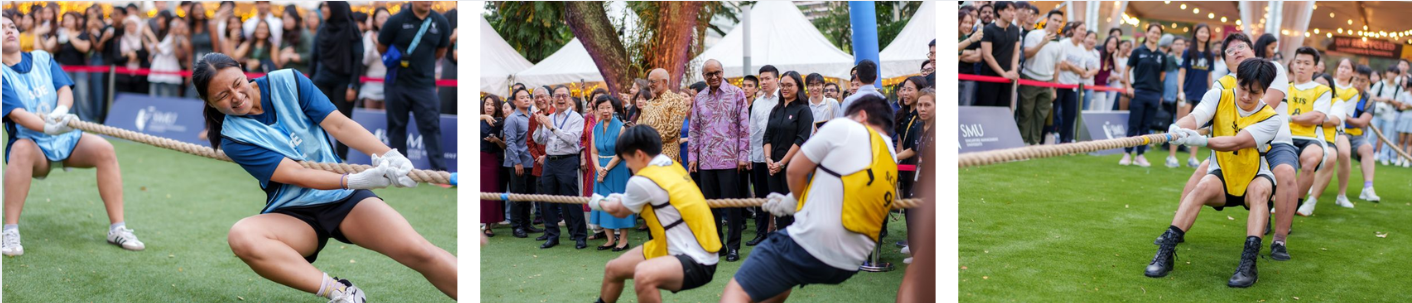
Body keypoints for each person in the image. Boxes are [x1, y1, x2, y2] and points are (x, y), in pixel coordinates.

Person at [192, 53, 454, 301]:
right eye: (223, 95)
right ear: (210, 102)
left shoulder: (288, 80)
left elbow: (339, 124)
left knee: (418, 251)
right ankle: (342, 293)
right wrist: (355, 180)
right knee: (242, 236)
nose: (237, 96)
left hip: (343, 199)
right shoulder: (233, 139)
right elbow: (296, 174)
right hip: (294, 213)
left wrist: (390, 155)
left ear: (242, 70)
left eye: (238, 83)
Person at [721, 94, 899, 302]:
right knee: (779, 278)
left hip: (814, 243)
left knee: (739, 291)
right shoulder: (890, 154)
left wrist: (793, 202)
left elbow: (794, 170)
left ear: (861, 115)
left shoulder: (846, 128)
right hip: (851, 260)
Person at [2, 13, 145, 257]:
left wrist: (60, 111)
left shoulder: (42, 57)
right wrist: (49, 128)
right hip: (34, 146)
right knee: (21, 149)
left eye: (12, 26)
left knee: (105, 150)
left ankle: (117, 228)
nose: (9, 30)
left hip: (65, 139)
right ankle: (10, 231)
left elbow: (64, 89)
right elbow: (17, 115)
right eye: (2, 28)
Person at [1150, 59, 1281, 288]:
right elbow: (1195, 117)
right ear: (1236, 80)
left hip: (1254, 176)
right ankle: (1166, 251)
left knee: (1260, 191)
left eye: (1254, 92)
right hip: (1222, 173)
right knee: (1201, 186)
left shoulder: (1271, 118)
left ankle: (1249, 264)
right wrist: (1178, 127)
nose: (1246, 96)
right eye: (1243, 88)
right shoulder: (1218, 96)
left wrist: (1202, 141)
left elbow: (1237, 141)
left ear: (1265, 90)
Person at [587, 125, 721, 303]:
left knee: (643, 276)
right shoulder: (671, 165)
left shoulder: (643, 179)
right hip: (668, 244)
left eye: (627, 159)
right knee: (614, 269)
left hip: (697, 257)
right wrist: (617, 198)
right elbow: (641, 198)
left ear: (640, 155)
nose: (627, 165)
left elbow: (620, 211)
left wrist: (599, 202)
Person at [688, 59, 750, 262]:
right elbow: (694, 129)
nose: (714, 77)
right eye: (709, 74)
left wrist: (743, 156)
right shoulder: (699, 98)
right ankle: (717, 245)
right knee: (710, 205)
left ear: (722, 72)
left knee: (731, 206)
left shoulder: (736, 93)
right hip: (706, 160)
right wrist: (692, 157)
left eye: (717, 72)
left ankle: (733, 247)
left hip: (730, 159)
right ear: (704, 76)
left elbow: (744, 128)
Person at [378, 1, 452, 171]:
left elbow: (441, 51)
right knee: (396, 128)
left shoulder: (441, 22)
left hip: (425, 85)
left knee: (431, 127)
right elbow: (381, 46)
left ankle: (439, 171)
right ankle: (399, 171)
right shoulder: (396, 20)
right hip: (396, 84)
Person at [533, 85, 589, 250]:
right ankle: (552, 236)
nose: (561, 99)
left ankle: (580, 236)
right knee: (548, 200)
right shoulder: (550, 117)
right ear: (552, 99)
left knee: (572, 200)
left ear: (569, 98)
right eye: (557, 96)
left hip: (567, 160)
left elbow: (572, 139)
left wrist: (551, 127)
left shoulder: (576, 118)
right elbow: (540, 140)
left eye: (564, 95)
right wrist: (540, 126)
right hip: (550, 162)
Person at [310, 2, 365, 160]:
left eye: (327, 6)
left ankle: (342, 160)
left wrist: (353, 85)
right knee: (316, 119)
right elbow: (314, 57)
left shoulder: (351, 29)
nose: (323, 10)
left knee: (343, 122)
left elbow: (358, 59)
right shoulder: (323, 28)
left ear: (336, 9)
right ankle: (317, 157)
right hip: (321, 80)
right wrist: (310, 83)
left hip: (344, 83)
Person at [763, 71, 814, 231]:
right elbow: (767, 136)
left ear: (798, 86)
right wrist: (769, 160)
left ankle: (796, 242)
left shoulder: (803, 110)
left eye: (789, 85)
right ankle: (782, 240)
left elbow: (801, 139)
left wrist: (782, 163)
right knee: (779, 209)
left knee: (794, 209)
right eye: (782, 85)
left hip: (793, 167)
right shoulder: (776, 110)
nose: (785, 88)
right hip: (773, 167)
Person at [1285, 47, 1332, 217]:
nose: (1301, 66)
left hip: (1310, 137)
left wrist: (1290, 118)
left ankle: (1294, 205)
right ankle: (1270, 208)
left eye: (1306, 63)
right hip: (1284, 136)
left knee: (1310, 161)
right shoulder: (1283, 88)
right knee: (1278, 166)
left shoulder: (1322, 90)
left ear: (1315, 67)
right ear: (1292, 64)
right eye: (1298, 62)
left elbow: (1317, 117)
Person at [1307, 59, 1360, 209]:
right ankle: (1311, 185)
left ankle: (1341, 195)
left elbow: (1342, 117)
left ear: (1352, 72)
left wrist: (1319, 118)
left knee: (1344, 153)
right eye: (1341, 66)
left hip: (1338, 129)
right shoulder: (1325, 81)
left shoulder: (1352, 92)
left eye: (1347, 67)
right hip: (1315, 126)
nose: (1343, 70)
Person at [1118, 23, 1170, 167]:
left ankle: (1140, 155)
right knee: (1134, 125)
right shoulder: (1137, 51)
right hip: (1138, 92)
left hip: (1153, 94)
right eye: (1153, 32)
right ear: (1147, 33)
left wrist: (1157, 90)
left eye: (1158, 33)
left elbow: (1162, 75)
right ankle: (1127, 153)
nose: (1155, 35)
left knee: (1146, 126)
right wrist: (1129, 87)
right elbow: (1127, 70)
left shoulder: (1161, 55)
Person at [589, 94, 635, 251]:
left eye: (608, 107)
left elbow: (620, 153)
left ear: (613, 108)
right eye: (601, 108)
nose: (605, 111)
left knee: (620, 203)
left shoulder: (621, 127)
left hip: (617, 169)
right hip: (600, 169)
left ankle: (623, 240)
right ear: (597, 109)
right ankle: (609, 240)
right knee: (603, 202)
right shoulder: (596, 128)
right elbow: (593, 152)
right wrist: (598, 169)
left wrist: (606, 169)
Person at [1334, 64, 1381, 203]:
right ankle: (1313, 185)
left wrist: (1339, 114)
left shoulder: (1369, 99)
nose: (1358, 83)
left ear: (1368, 82)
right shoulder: (1339, 90)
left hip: (1356, 135)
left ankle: (1368, 188)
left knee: (1368, 149)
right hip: (1337, 132)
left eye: (1363, 80)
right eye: (1356, 79)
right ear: (1352, 77)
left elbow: (1362, 122)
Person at [1016, 10, 1063, 145]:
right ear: (1047, 19)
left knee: (1041, 115)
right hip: (1030, 77)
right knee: (1025, 113)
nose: (1057, 23)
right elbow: (1027, 54)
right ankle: (1021, 143)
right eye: (1055, 20)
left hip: (1048, 82)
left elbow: (1057, 67)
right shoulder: (1034, 35)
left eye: (1060, 21)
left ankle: (1034, 143)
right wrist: (1042, 43)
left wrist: (1054, 89)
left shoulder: (1058, 43)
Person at [1169, 24, 1213, 168]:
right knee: (1178, 125)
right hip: (1187, 93)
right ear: (1196, 34)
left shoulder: (1210, 54)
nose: (1204, 34)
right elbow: (1181, 73)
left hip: (1202, 96)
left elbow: (1209, 76)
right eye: (1201, 32)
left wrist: (1212, 92)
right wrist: (1180, 91)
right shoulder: (1188, 52)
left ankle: (1192, 158)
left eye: (1206, 32)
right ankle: (1171, 157)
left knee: (1197, 127)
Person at [747, 65, 781, 246]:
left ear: (776, 80)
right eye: (762, 79)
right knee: (761, 195)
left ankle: (779, 232)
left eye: (768, 78)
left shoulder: (784, 99)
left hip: (780, 156)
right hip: (759, 156)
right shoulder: (758, 103)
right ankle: (761, 232)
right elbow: (752, 131)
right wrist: (750, 156)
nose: (764, 82)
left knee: (779, 194)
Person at [639, 68, 692, 163]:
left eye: (653, 81)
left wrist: (647, 141)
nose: (649, 84)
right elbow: (639, 126)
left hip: (666, 157)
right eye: (649, 81)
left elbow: (671, 132)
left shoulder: (676, 100)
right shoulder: (648, 103)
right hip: (646, 156)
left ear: (664, 82)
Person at [503, 88, 536, 238]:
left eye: (527, 97)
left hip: (531, 162)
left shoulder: (532, 116)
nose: (526, 99)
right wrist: (517, 162)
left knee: (528, 196)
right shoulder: (512, 118)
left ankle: (526, 224)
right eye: (522, 98)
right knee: (517, 196)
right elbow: (510, 142)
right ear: (515, 102)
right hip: (517, 163)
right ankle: (516, 226)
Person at [977, 1, 1021, 108]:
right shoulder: (989, 29)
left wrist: (1013, 72)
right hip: (989, 76)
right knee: (987, 108)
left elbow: (1016, 52)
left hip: (1008, 77)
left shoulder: (1015, 30)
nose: (1013, 13)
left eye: (1014, 11)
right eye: (1009, 10)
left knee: (1004, 108)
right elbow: (987, 55)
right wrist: (1003, 73)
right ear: (1000, 11)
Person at [1052, 21, 1090, 144]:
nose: (1083, 32)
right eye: (1080, 29)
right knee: (1053, 113)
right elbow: (1061, 64)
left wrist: (1069, 65)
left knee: (1070, 115)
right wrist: (1075, 67)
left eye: (1084, 30)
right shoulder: (1064, 44)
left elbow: (1082, 71)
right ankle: (1049, 138)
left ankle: (1065, 141)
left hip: (1073, 86)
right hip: (1059, 84)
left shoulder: (1082, 49)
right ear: (1073, 30)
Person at [185, 2, 223, 100]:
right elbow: (190, 53)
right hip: (195, 64)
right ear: (192, 12)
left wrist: (215, 68)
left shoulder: (210, 25)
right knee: (191, 93)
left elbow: (216, 49)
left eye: (201, 9)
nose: (199, 11)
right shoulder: (190, 29)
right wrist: (189, 73)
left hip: (209, 63)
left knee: (208, 92)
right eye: (196, 9)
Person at [482, 95, 507, 237]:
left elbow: (504, 145)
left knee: (490, 192)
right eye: (487, 104)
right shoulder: (479, 119)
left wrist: (496, 140)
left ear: (497, 107)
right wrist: (484, 116)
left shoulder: (501, 122)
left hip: (491, 158)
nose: (489, 107)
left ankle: (488, 225)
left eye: (492, 104)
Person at [1368, 66, 1402, 165]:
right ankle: (1368, 154)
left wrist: (1390, 100)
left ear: (1397, 75)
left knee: (1387, 137)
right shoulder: (1380, 84)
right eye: (1390, 72)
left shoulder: (1398, 88)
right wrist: (1383, 99)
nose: (1392, 75)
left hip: (1390, 115)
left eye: (1395, 73)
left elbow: (1399, 103)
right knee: (1371, 135)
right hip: (1377, 113)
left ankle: (1384, 157)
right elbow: (1371, 96)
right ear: (1386, 73)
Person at [359, 8, 391, 110]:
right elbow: (365, 60)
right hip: (370, 84)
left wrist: (378, 43)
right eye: (381, 18)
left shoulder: (393, 36)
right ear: (375, 21)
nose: (384, 20)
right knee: (370, 115)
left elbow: (390, 59)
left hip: (388, 83)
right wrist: (373, 44)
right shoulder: (370, 35)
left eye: (387, 17)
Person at [149, 15, 187, 98]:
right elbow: (156, 49)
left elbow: (162, 50)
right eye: (173, 24)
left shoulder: (179, 37)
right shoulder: (168, 36)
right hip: (159, 73)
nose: (174, 26)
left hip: (171, 75)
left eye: (177, 24)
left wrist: (148, 33)